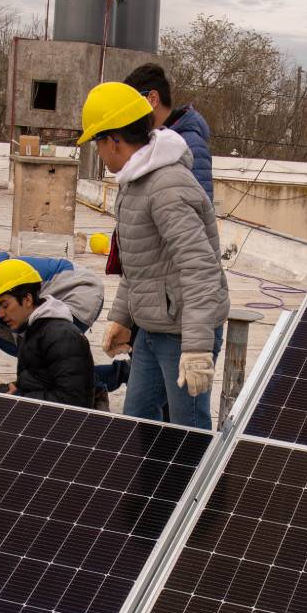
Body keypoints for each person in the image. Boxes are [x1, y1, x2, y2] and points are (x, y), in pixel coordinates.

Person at [78, 82, 230, 429]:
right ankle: (148, 485)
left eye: (98, 143)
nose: (99, 154)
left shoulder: (166, 187)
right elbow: (141, 264)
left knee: (186, 432)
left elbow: (200, 269)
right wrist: (122, 318)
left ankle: (192, 484)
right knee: (138, 424)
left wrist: (196, 347)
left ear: (114, 139)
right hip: (150, 329)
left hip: (183, 333)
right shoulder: (135, 182)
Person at [0, 253, 108, 388]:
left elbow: (24, 340)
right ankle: (111, 377)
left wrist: (22, 385)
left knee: (51, 365)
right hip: (57, 295)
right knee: (49, 369)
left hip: (79, 291)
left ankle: (109, 379)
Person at [0, 259, 95, 409]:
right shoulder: (32, 330)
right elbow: (34, 383)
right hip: (40, 417)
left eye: (5, 305)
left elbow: (72, 402)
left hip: (62, 427)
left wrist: (19, 398)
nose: (0, 314)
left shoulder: (62, 336)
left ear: (28, 299)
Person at [124, 63, 214, 202]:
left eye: (132, 104)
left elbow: (199, 211)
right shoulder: (151, 140)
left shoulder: (191, 144)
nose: (129, 113)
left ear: (152, 99)